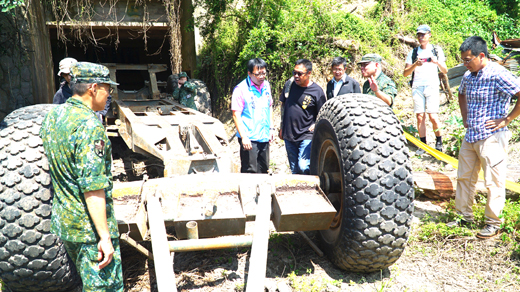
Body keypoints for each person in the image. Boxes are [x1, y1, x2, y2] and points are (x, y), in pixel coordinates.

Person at [40, 62, 123, 291]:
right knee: (104, 287)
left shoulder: (54, 117)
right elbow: (92, 187)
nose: (109, 95)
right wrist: (104, 236)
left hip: (66, 223)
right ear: (93, 88)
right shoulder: (89, 126)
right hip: (89, 230)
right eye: (108, 89)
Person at [447, 36, 520, 239]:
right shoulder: (469, 76)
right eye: (463, 60)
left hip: (492, 137)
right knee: (464, 178)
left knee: (493, 181)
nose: (465, 64)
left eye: (468, 59)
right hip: (471, 135)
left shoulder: (498, 74)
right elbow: (461, 94)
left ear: (481, 55)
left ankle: (493, 223)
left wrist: (507, 119)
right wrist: (464, 118)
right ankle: (463, 216)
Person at [403, 24, 447, 153]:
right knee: (420, 116)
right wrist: (416, 64)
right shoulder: (413, 52)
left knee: (433, 116)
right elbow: (405, 73)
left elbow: (445, 70)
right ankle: (423, 145)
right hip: (417, 86)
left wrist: (436, 62)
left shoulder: (436, 50)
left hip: (432, 85)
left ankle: (439, 142)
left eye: (423, 34)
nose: (421, 37)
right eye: (419, 35)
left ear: (429, 35)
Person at [279, 59, 326, 174]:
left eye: (300, 73)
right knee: (294, 169)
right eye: (294, 72)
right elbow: (283, 105)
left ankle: (311, 188)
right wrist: (281, 127)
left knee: (303, 165)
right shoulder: (289, 85)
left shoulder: (317, 91)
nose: (296, 76)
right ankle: (298, 192)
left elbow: (323, 113)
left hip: (307, 134)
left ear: (309, 73)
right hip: (289, 133)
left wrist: (316, 124)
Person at [231, 58, 273, 173]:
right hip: (249, 137)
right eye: (257, 74)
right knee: (250, 171)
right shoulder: (241, 89)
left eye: (264, 73)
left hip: (264, 135)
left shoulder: (266, 86)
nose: (261, 76)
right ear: (249, 73)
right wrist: (244, 137)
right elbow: (236, 115)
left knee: (264, 170)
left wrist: (271, 128)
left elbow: (269, 106)